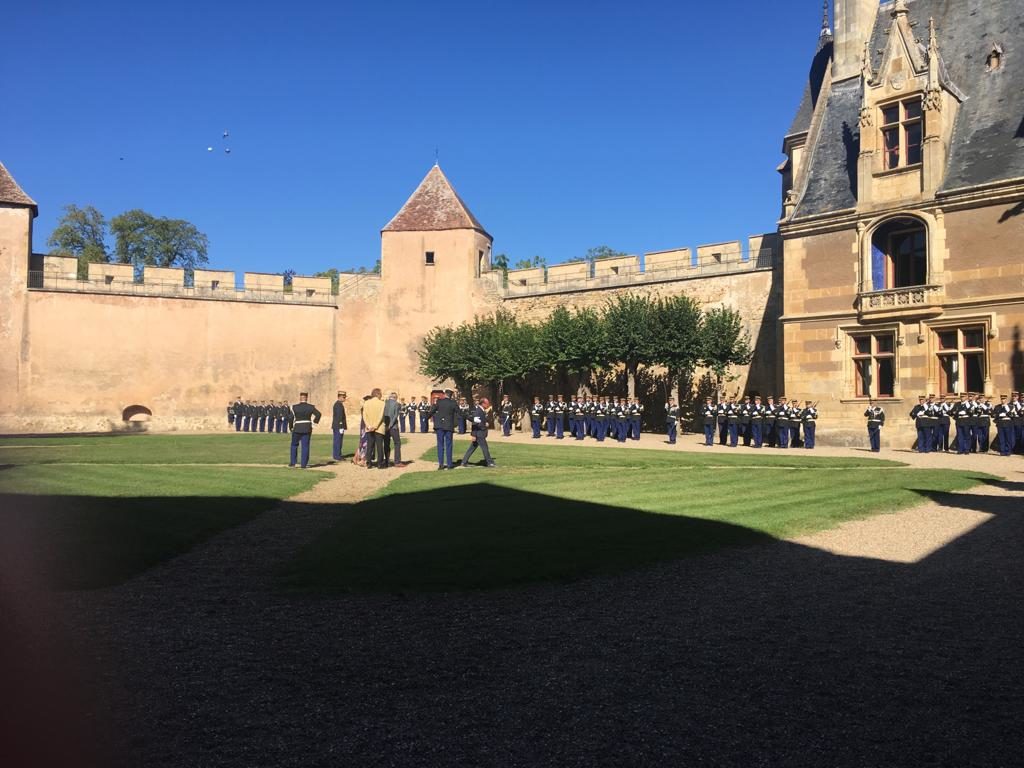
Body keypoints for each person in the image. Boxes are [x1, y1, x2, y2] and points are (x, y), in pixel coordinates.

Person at [459, 396, 496, 468]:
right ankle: (489, 462)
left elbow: (481, 421)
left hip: (480, 433)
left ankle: (464, 462)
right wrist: (473, 434)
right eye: (487, 403)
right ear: (483, 404)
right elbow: (474, 423)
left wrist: (485, 423)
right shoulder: (478, 411)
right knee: (485, 448)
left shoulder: (482, 410)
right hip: (479, 433)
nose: (488, 405)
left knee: (472, 448)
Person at [288, 392, 321, 469]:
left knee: (294, 445)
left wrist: (291, 427)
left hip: (297, 428)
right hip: (307, 428)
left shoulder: (294, 407)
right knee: (305, 446)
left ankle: (293, 463)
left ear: (300, 398)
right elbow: (318, 414)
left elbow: (290, 418)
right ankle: (303, 465)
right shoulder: (311, 407)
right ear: (306, 398)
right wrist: (314, 424)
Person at [428, 389, 459, 469]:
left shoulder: (439, 402)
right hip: (448, 426)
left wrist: (426, 417)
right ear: (451, 395)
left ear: (445, 394)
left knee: (440, 445)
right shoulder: (453, 403)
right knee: (449, 445)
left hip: (440, 425)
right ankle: (449, 464)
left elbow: (432, 411)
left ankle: (441, 464)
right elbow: (459, 413)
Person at [361, 388, 386, 469]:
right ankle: (380, 463)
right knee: (379, 446)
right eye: (380, 394)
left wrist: (368, 425)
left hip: (369, 427)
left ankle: (369, 463)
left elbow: (364, 416)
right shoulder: (382, 403)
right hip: (379, 428)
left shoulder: (366, 403)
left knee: (370, 446)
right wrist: (375, 426)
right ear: (378, 394)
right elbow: (380, 416)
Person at [383, 392, 403, 467]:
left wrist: (386, 425)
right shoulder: (397, 404)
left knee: (386, 443)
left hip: (385, 426)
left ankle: (386, 461)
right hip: (393, 427)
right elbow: (395, 416)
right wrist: (390, 425)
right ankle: (397, 461)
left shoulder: (384, 403)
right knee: (397, 443)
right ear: (395, 397)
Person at [353, 395, 371, 467]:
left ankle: (356, 457)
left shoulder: (364, 408)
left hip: (363, 426)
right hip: (365, 426)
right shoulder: (365, 408)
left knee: (362, 442)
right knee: (365, 443)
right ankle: (363, 459)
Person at [331, 391, 348, 461]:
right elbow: (339, 416)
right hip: (338, 426)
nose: (344, 398)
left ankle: (336, 455)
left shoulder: (338, 404)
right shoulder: (338, 405)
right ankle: (337, 455)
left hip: (337, 426)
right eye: (343, 397)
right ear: (340, 397)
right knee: (338, 441)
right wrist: (341, 426)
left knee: (337, 440)